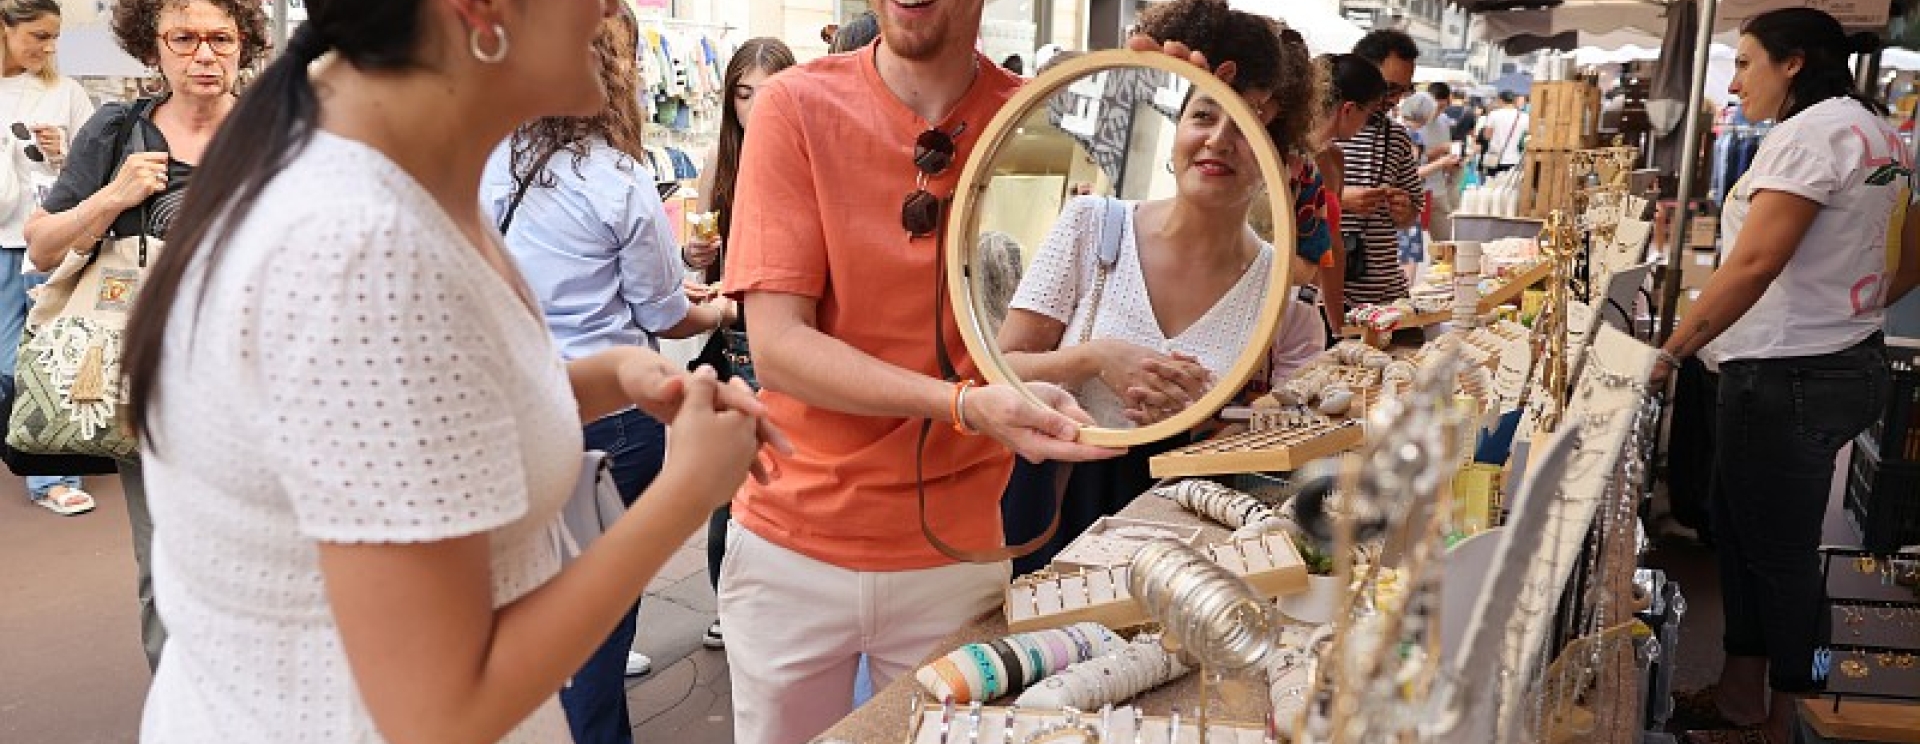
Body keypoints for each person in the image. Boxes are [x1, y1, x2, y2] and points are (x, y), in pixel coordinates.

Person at [118, 1, 783, 741]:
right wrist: (690, 489)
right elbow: (438, 712)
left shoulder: (385, 177)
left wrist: (605, 377)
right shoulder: (359, 253)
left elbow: (406, 437)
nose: (603, 10)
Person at [714, 0, 1119, 734]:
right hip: (791, 547)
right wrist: (964, 405)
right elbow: (777, 350)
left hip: (956, 555)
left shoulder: (1031, 119)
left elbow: (1158, 202)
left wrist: (1186, 89)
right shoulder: (797, 107)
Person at [1651, 8, 1920, 743]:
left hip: (1788, 376)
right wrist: (1852, 308)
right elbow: (1909, 251)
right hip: (1828, 362)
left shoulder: (1812, 135)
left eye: (1744, 62)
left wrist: (1669, 350)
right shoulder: (1876, 131)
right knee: (1742, 533)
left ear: (1792, 62)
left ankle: (1790, 718)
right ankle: (1744, 696)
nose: (1735, 79)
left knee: (1777, 554)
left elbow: (1756, 261)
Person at [478, 13, 738, 742]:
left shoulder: (484, 160)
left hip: (513, 409)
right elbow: (660, 309)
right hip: (615, 421)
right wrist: (715, 311)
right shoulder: (619, 178)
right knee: (597, 622)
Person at [994, 0, 1325, 574]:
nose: (1219, 140)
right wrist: (1098, 357)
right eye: (1203, 116)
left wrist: (1204, 418)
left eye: (1245, 124)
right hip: (1064, 504)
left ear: (1280, 160)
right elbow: (1001, 368)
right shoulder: (1092, 225)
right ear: (1176, 133)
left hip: (1188, 527)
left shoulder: (1276, 291)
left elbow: (1266, 431)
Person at [23, 0, 266, 672]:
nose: (204, 54)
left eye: (220, 38)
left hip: (258, 385)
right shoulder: (117, 130)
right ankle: (182, 713)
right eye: (183, 38)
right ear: (151, 47)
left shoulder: (275, 130)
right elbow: (41, 247)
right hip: (147, 385)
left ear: (244, 45)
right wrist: (112, 198)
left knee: (264, 559)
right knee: (168, 568)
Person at [685, 34, 795, 652]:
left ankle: (775, 603)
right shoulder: (717, 162)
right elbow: (701, 266)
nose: (754, 106)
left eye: (768, 92)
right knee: (730, 486)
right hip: (732, 340)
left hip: (784, 341)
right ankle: (726, 601)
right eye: (743, 93)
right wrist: (695, 254)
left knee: (786, 477)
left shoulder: (805, 156)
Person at [0, 0, 95, 516]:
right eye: (38, 35)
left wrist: (65, 154)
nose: (48, 47)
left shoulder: (66, 93)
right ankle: (25, 441)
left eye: (54, 37)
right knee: (4, 365)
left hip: (45, 244)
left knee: (40, 361)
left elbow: (96, 167)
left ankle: (53, 477)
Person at [1339, 29, 1422, 308]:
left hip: (1386, 297)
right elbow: (1280, 204)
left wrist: (1405, 210)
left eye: (1404, 90)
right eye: (1390, 88)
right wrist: (1341, 199)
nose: (1396, 99)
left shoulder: (1396, 138)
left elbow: (1412, 213)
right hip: (1327, 296)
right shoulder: (1315, 133)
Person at [1308, 54, 1388, 337]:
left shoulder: (1334, 159)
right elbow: (1331, 246)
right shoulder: (1294, 158)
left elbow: (1334, 246)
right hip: (1279, 298)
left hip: (1308, 305)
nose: (1367, 124)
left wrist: (1336, 322)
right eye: (1370, 114)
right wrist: (1337, 324)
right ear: (1349, 109)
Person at [1475, 90, 1526, 177]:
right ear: (1514, 101)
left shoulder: (1494, 114)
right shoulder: (1524, 116)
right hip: (1514, 158)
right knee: (1509, 189)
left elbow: (1487, 136)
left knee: (1491, 186)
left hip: (1494, 158)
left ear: (1500, 100)